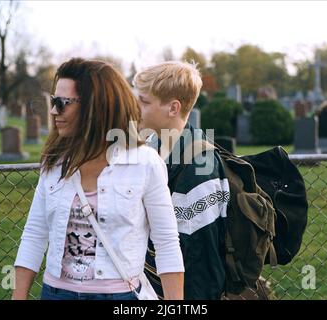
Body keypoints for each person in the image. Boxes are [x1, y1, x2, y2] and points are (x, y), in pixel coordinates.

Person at [13, 58, 184, 300]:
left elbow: (166, 243)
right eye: (54, 102)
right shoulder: (55, 162)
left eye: (63, 103)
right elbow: (34, 234)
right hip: (56, 294)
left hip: (118, 296)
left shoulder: (144, 163)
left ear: (96, 106)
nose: (53, 111)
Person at [133, 61, 229, 299]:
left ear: (173, 108)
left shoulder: (199, 164)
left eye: (144, 102)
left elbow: (199, 257)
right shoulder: (153, 146)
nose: (135, 107)